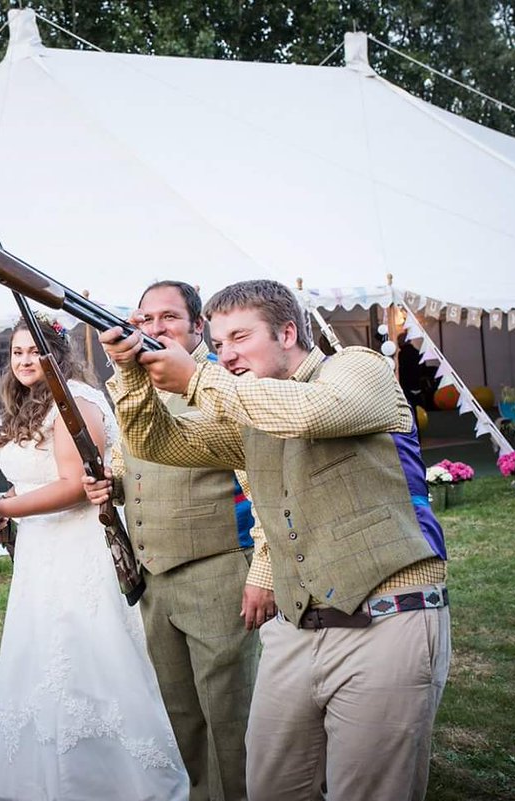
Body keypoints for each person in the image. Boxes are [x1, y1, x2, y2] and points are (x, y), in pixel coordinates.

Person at [97, 279, 450, 801]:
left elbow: (311, 413)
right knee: (270, 786)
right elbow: (158, 442)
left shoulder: (356, 368)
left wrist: (197, 377)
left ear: (288, 332)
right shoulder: (247, 409)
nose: (227, 355)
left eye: (240, 337)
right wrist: (130, 374)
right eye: (217, 345)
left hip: (388, 618)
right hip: (294, 629)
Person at [0, 315, 189, 801]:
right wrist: (2, 504)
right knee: (41, 653)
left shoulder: (74, 403)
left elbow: (74, 488)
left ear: (56, 355)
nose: (23, 361)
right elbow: (34, 478)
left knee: (89, 650)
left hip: (79, 546)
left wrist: (2, 506)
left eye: (33, 353)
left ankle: (117, 779)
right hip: (40, 551)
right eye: (16, 353)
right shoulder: (18, 406)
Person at [88, 280, 271, 801]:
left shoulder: (222, 381)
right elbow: (126, 460)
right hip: (153, 577)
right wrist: (110, 483)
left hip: (216, 571)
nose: (154, 328)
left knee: (229, 714)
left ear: (197, 327)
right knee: (182, 713)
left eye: (168, 317)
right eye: (145, 319)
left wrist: (262, 570)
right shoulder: (133, 384)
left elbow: (258, 482)